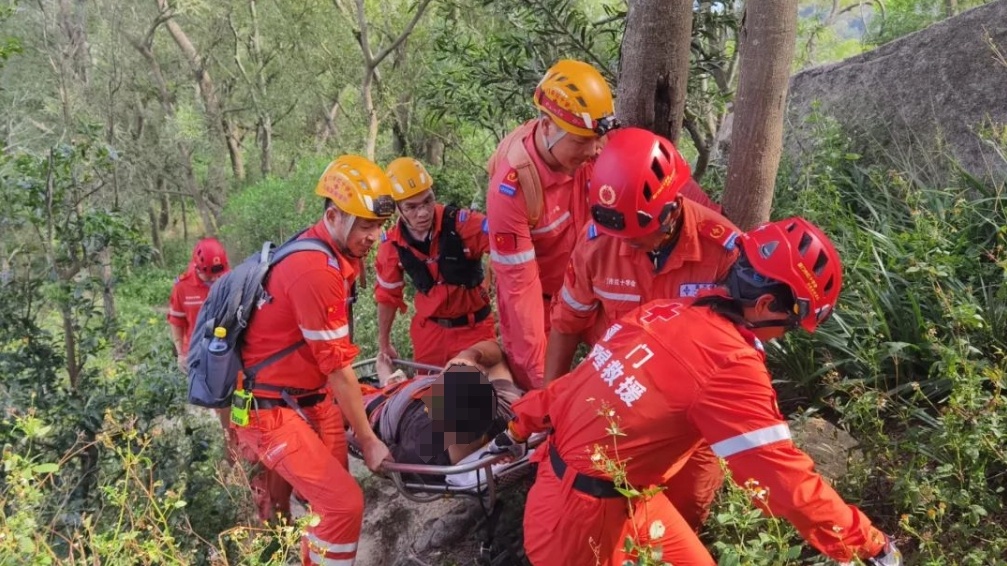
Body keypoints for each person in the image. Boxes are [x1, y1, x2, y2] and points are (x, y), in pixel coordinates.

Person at [494, 217, 903, 565]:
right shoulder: (730, 363)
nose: (785, 335)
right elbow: (787, 482)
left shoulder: (664, 310)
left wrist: (519, 424)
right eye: (792, 324)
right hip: (578, 527)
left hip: (612, 495)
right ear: (763, 305)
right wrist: (872, 546)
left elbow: (576, 383)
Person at [543, 128, 741, 530]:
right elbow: (566, 325)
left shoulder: (722, 251)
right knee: (607, 522)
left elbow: (737, 358)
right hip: (614, 410)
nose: (626, 246)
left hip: (689, 427)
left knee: (682, 521)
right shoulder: (598, 244)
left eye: (637, 237)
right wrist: (551, 405)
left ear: (670, 211)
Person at [232, 155, 396, 566]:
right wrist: (370, 440)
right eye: (364, 225)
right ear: (333, 216)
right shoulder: (314, 269)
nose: (373, 236)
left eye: (377, 226)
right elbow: (338, 367)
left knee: (327, 506)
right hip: (269, 409)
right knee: (343, 505)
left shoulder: (334, 256)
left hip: (306, 396)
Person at [485, 58, 619, 391]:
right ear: (547, 126)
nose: (595, 150)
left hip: (592, 287)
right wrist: (545, 385)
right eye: (581, 141)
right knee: (540, 388)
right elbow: (520, 294)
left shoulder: (593, 141)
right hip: (541, 301)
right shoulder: (512, 188)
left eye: (598, 139)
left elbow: (656, 181)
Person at [374, 157, 496, 370]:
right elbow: (387, 297)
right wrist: (384, 344)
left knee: (468, 399)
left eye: (427, 201)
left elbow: (508, 249)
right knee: (429, 398)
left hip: (473, 329)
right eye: (411, 207)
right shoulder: (393, 245)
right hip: (430, 333)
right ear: (397, 209)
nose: (422, 212)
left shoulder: (462, 224)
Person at [359, 340, 522, 469]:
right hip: (420, 387)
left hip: (389, 408)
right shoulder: (505, 412)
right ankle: (392, 381)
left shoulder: (418, 453)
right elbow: (497, 358)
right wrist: (469, 355)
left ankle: (387, 381)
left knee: (363, 403)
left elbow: (377, 456)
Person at [167, 237, 230, 373]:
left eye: (218, 274)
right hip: (195, 352)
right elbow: (176, 322)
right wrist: (180, 354)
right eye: (209, 276)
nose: (214, 279)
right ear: (198, 268)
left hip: (226, 352)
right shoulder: (182, 286)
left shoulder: (230, 279)